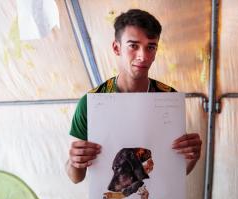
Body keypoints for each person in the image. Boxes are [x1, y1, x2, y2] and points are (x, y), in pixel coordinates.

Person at [66, 9, 202, 184]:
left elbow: (175, 171)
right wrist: (74, 161)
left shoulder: (168, 99)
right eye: (133, 46)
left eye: (150, 47)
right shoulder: (92, 102)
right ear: (116, 48)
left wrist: (193, 157)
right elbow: (76, 177)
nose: (143, 56)